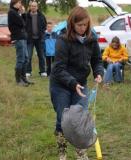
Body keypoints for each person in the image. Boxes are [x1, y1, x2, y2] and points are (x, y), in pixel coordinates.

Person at [49, 6, 104, 160]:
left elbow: (97, 60)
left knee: (80, 119)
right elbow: (58, 68)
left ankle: (81, 153)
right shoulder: (63, 40)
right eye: (79, 25)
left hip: (81, 84)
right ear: (72, 24)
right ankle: (62, 151)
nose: (82, 28)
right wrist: (73, 83)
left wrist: (99, 72)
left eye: (85, 25)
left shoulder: (91, 39)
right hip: (61, 85)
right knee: (63, 119)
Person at [8, 0, 33, 86]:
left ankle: (24, 78)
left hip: (22, 38)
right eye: (19, 3)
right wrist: (22, 13)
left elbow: (24, 23)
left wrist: (22, 14)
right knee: (20, 59)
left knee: (26, 59)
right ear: (14, 4)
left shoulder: (16, 12)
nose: (20, 4)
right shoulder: (12, 12)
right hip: (18, 38)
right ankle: (18, 80)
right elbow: (23, 23)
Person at [25, 1, 47, 77]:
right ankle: (28, 71)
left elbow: (44, 26)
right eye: (32, 6)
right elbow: (23, 27)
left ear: (37, 7)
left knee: (41, 56)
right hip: (29, 39)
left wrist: (43, 36)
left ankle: (43, 71)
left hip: (39, 39)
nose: (33, 7)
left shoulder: (41, 16)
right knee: (29, 56)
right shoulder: (26, 16)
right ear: (30, 7)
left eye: (35, 6)